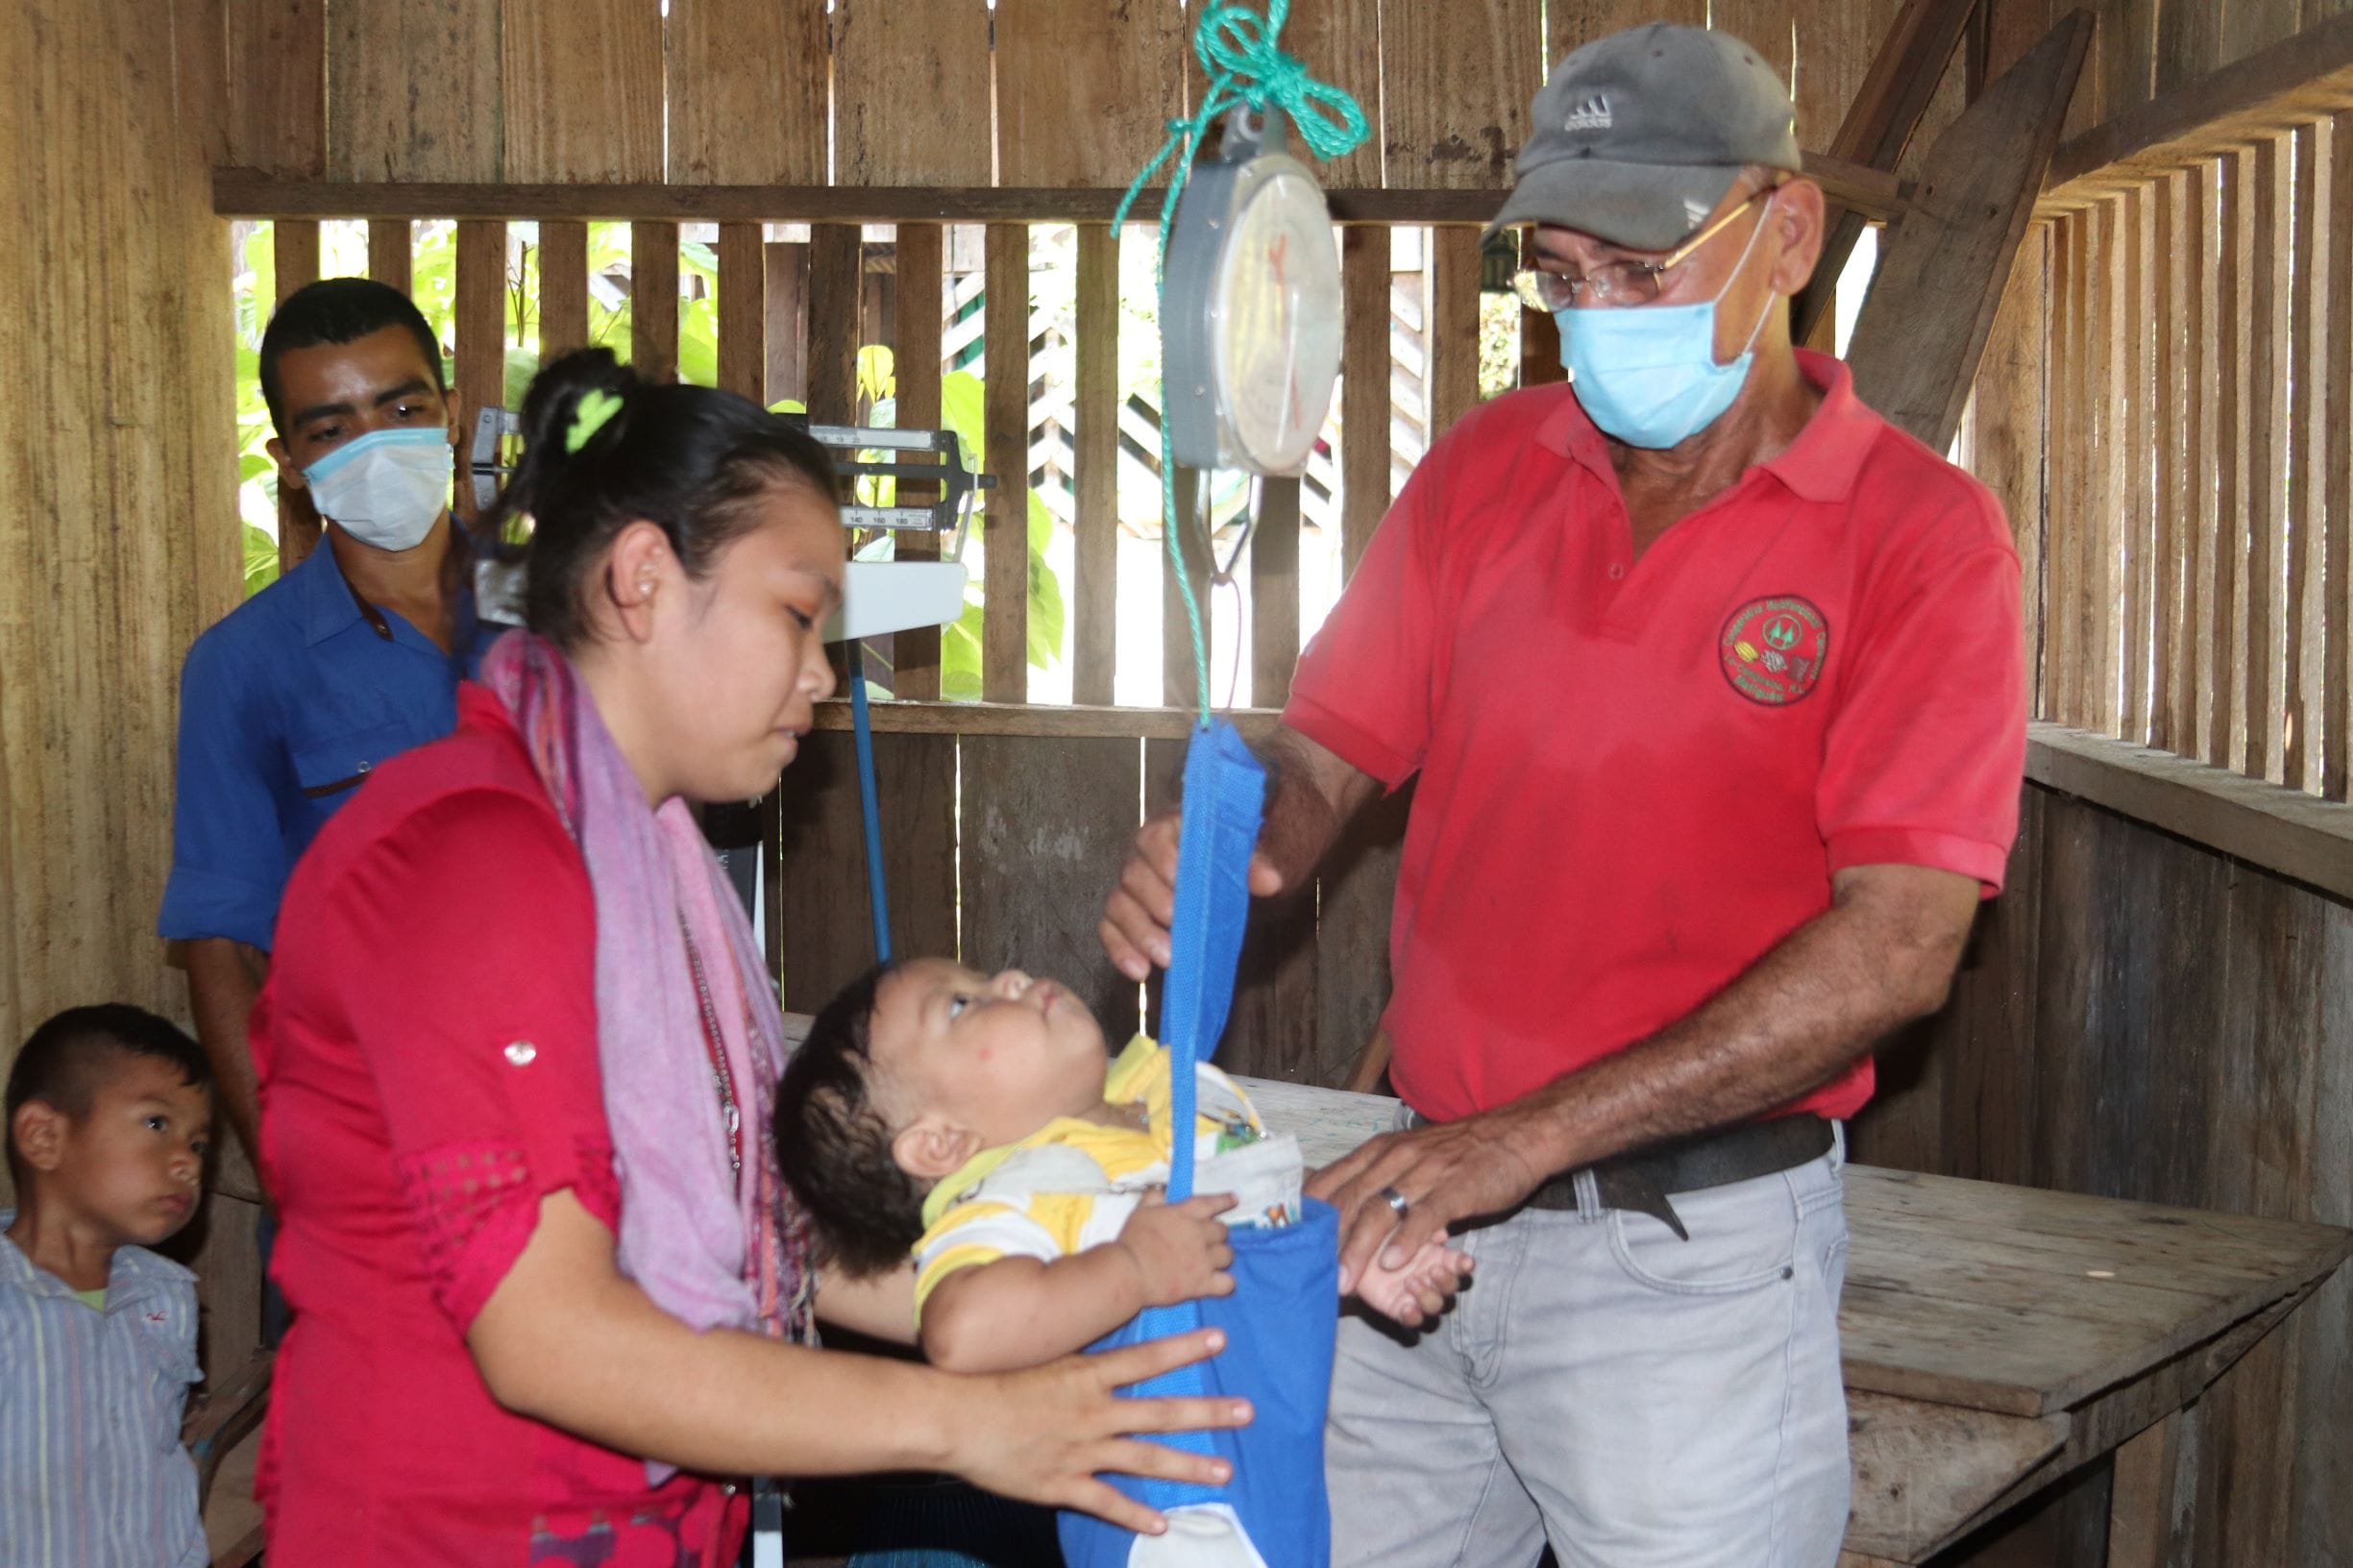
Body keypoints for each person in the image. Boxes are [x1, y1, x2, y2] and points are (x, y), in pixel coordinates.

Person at [1099, 23, 2027, 1568]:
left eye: (1640, 271)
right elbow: (1328, 750)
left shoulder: (1921, 542)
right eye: (1561, 275)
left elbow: (1897, 948)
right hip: (1421, 1220)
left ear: (1782, 232)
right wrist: (1242, 838)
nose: (1595, 315)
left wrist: (1526, 1137)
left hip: (1687, 1267)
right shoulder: (1486, 470)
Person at [249, 348, 1248, 1563]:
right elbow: (551, 1340)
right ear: (643, 580)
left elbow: (776, 1243)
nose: (824, 672)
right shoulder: (475, 859)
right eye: (797, 612)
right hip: (456, 1528)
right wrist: (966, 1421)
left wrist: (1123, 1257)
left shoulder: (645, 863)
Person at [161, 278, 504, 1201]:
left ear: (453, 415)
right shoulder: (242, 665)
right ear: (288, 460)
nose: (377, 445)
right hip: (368, 1143)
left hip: (580, 1121)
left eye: (402, 408)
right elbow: (221, 943)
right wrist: (301, 1182)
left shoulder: (568, 620)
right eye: (331, 428)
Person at [774, 957, 1468, 1374]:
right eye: (961, 1004)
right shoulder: (1014, 1196)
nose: (1008, 977)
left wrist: (1347, 1264)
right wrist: (1133, 1270)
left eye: (981, 974)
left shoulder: (1176, 1092)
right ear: (942, 1145)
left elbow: (1258, 1238)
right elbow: (959, 1334)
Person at [2, 1005, 214, 1568]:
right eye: (155, 1124)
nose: (188, 1164)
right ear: (43, 1137)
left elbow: (163, 1470)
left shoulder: (168, 1298)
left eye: (197, 1143)